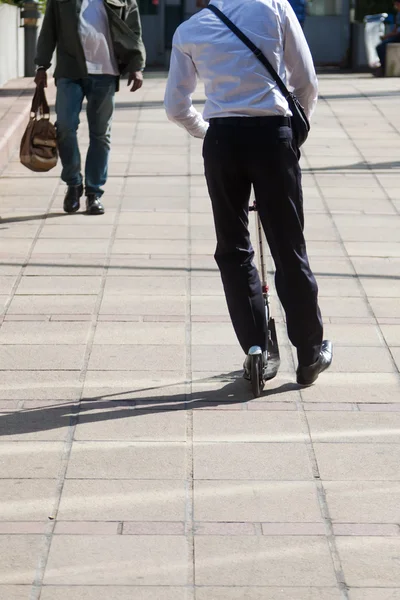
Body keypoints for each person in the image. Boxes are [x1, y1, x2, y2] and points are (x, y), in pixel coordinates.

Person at [164, 0, 332, 386]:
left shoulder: (190, 29)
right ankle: (309, 355)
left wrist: (207, 131)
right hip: (273, 136)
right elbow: (305, 80)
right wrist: (296, 130)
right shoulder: (274, 6)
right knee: (289, 247)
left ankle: (257, 349)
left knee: (233, 249)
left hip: (223, 140)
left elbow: (176, 106)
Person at [34, 0, 146, 215]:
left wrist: (136, 66)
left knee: (101, 135)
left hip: (105, 72)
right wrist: (42, 65)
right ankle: (73, 183)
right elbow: (49, 30)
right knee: (65, 127)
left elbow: (133, 31)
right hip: (70, 70)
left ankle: (94, 193)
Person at [375, 1, 400, 76]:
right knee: (380, 47)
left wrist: (387, 36)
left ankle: (384, 68)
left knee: (381, 47)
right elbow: (396, 28)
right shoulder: (398, 14)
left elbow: (397, 32)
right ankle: (383, 67)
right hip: (397, 36)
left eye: (396, 4)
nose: (395, 6)